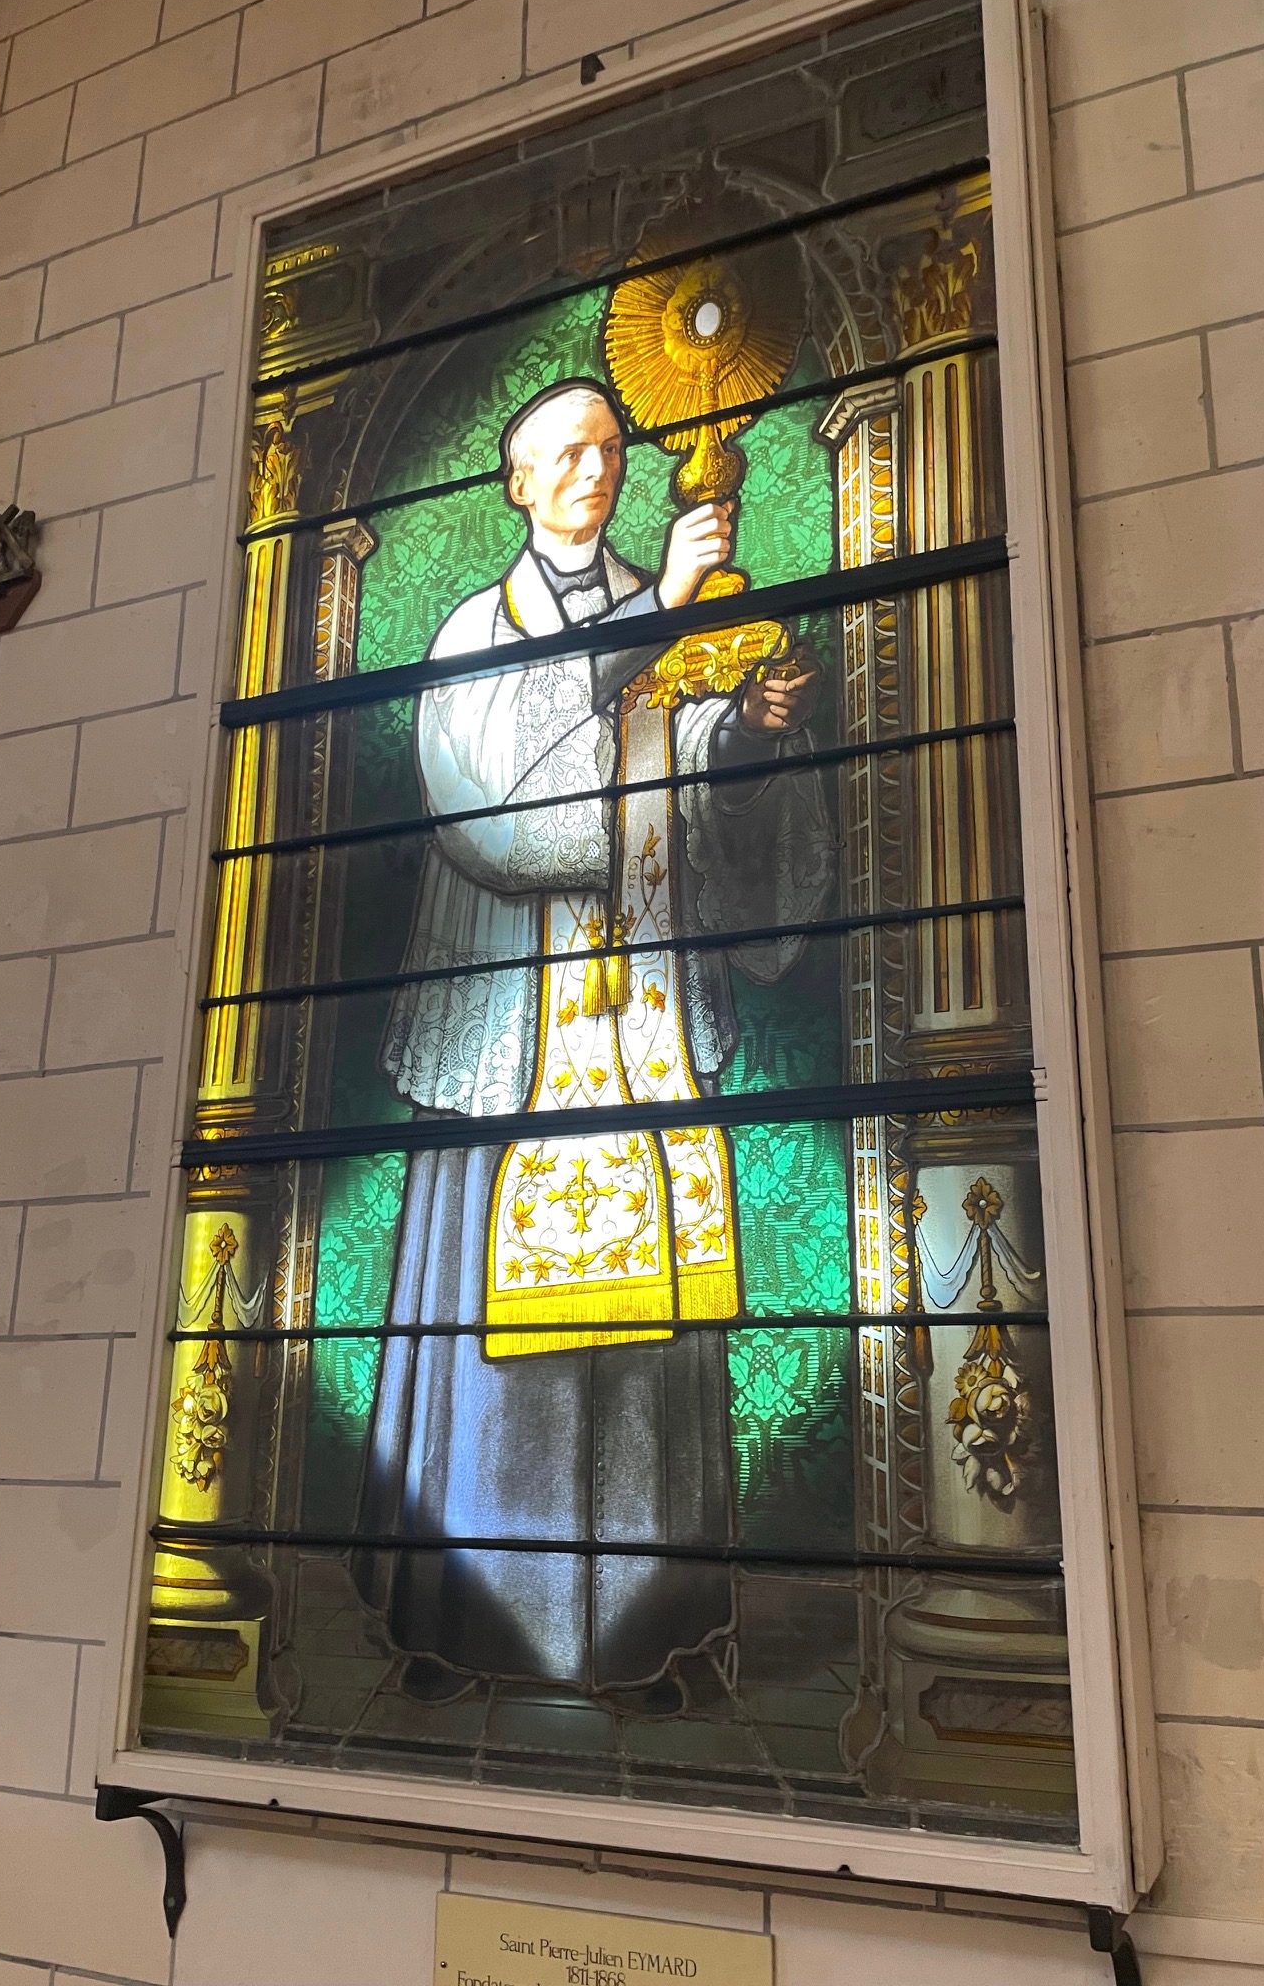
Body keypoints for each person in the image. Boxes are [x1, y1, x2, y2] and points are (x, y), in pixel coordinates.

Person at [354, 377, 834, 1709]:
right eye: (563, 454)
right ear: (515, 482)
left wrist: (749, 732)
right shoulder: (479, 630)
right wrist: (658, 614)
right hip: (514, 1046)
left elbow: (691, 794)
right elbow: (498, 811)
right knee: (490, 1341)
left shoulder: (669, 609)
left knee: (643, 1358)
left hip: (642, 1032)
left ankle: (643, 1638)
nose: (592, 470)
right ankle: (463, 1629)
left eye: (609, 450)